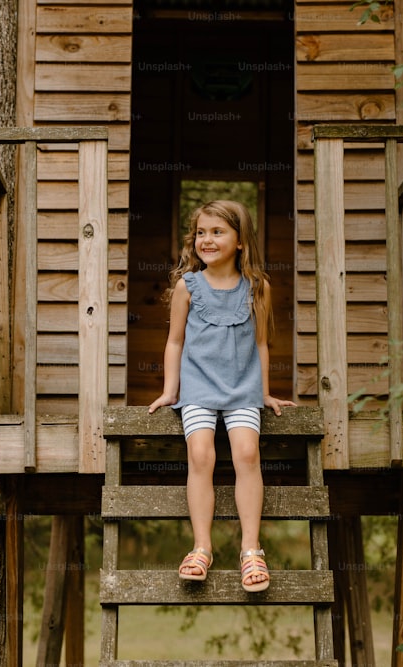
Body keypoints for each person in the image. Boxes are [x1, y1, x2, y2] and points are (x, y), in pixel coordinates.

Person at [148, 199, 296, 593]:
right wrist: (169, 391)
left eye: (217, 232)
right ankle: (201, 547)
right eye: (201, 232)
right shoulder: (188, 286)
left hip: (242, 389)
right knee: (201, 454)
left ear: (241, 241)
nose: (207, 240)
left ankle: (251, 550)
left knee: (247, 453)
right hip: (197, 388)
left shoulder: (258, 287)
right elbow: (175, 341)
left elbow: (262, 344)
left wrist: (263, 392)